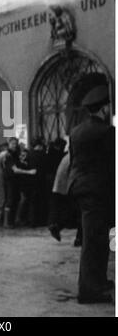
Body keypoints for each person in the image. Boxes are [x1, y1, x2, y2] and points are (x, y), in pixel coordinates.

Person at [67, 84, 115, 304]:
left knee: (95, 237)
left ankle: (98, 282)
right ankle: (89, 291)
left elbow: (74, 162)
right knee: (95, 240)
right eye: (109, 107)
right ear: (104, 108)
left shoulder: (75, 131)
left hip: (80, 188)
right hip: (98, 190)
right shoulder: (107, 132)